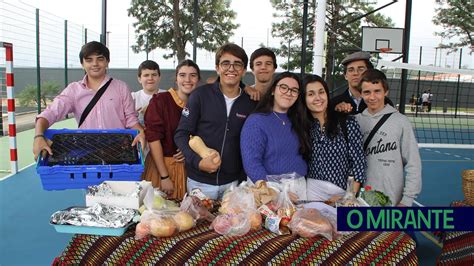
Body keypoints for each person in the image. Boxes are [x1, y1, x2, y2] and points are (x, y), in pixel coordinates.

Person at [33, 41, 145, 160]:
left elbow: (131, 120)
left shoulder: (121, 87)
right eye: (89, 60)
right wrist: (38, 136)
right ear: (82, 64)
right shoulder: (74, 90)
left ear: (107, 62)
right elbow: (50, 113)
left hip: (119, 151)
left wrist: (141, 132)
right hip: (86, 154)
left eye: (100, 59)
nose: (95, 64)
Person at [174, 43, 257, 200]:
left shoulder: (250, 103)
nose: (231, 69)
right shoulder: (200, 96)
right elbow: (181, 134)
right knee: (199, 225)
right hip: (199, 183)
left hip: (234, 185)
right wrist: (197, 162)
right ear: (217, 68)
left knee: (230, 225)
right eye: (225, 63)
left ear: (244, 70)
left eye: (237, 64)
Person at [355, 69, 422, 207]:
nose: (372, 97)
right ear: (361, 94)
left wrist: (407, 200)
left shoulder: (401, 121)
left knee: (389, 230)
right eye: (367, 92)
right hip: (360, 198)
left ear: (386, 92)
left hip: (392, 199)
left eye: (377, 91)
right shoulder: (355, 121)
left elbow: (413, 163)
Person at [143, 60, 201, 200]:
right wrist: (164, 176)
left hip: (190, 169)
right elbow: (153, 138)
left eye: (192, 75)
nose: (187, 80)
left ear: (198, 79)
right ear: (176, 78)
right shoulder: (161, 101)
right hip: (162, 167)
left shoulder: (201, 102)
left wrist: (188, 149)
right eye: (182, 75)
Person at [303, 74, 366, 201]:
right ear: (303, 99)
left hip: (341, 193)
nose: (317, 98)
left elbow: (359, 163)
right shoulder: (302, 126)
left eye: (321, 92)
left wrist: (349, 196)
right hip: (311, 191)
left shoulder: (347, 123)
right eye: (310, 94)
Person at [240, 72, 310, 182]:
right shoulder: (256, 121)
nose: (288, 93)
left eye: (294, 90)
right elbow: (252, 164)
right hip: (270, 189)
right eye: (283, 87)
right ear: (273, 90)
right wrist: (274, 190)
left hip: (301, 187)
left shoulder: (299, 120)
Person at [132, 60, 161, 125]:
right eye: (146, 75)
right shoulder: (132, 98)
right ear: (139, 79)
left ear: (159, 77)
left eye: (154, 75)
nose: (150, 78)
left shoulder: (168, 96)